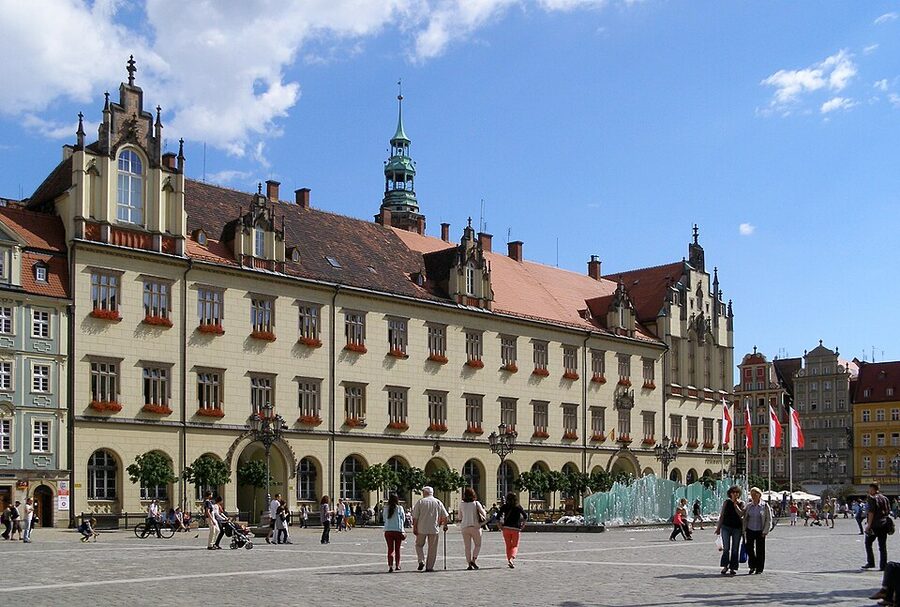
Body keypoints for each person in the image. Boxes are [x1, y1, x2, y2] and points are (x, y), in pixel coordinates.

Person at [411, 486, 449, 572]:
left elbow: (415, 517)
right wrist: (444, 525)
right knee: (432, 548)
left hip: (422, 528)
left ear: (425, 492)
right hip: (434, 528)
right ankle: (429, 567)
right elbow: (445, 516)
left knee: (418, 545)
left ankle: (421, 560)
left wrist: (415, 527)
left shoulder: (421, 502)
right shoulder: (438, 502)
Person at [715, 485, 745, 576]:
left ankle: (733, 567)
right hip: (726, 527)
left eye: (737, 492)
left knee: (735, 549)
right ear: (730, 494)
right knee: (726, 548)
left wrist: (736, 506)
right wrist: (718, 528)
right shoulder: (726, 502)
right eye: (733, 492)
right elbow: (722, 515)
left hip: (737, 528)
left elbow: (741, 514)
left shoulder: (741, 503)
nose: (735, 494)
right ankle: (725, 566)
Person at [742, 487, 773, 575]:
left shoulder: (764, 505)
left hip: (760, 530)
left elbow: (769, 519)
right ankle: (752, 565)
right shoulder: (749, 506)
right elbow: (744, 516)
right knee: (749, 549)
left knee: (760, 550)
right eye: (752, 495)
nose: (753, 496)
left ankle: (759, 568)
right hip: (750, 529)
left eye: (755, 494)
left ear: (759, 495)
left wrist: (766, 531)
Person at [864, 482, 892, 571]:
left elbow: (871, 512)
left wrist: (869, 525)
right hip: (884, 524)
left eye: (869, 489)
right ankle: (883, 565)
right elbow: (888, 511)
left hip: (875, 525)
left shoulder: (872, 498)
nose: (868, 490)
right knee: (882, 546)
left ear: (873, 489)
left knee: (868, 543)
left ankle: (871, 562)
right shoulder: (885, 498)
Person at [459, 487, 487, 570]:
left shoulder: (461, 504)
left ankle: (469, 564)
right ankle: (473, 559)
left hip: (464, 527)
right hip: (475, 527)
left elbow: (460, 517)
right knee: (477, 545)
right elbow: (484, 514)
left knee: (467, 547)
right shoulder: (476, 503)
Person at [499, 492, 527, 568]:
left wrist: (500, 526)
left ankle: (509, 560)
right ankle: (511, 559)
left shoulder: (504, 506)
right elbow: (525, 516)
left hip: (506, 528)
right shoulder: (518, 507)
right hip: (516, 529)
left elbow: (498, 517)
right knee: (514, 545)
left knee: (508, 546)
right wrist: (523, 525)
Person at [383, 493, 406, 572]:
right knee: (397, 549)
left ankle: (390, 565)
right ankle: (397, 565)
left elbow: (384, 518)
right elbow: (403, 519)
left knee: (390, 549)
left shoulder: (386, 508)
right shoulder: (400, 508)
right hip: (397, 530)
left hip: (388, 530)